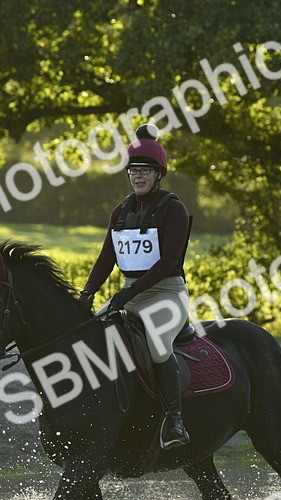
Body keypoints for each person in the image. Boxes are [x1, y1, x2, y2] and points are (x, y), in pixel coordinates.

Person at [78, 124, 192, 449]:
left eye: (144, 171)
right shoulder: (122, 211)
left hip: (167, 293)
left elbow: (169, 261)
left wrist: (132, 290)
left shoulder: (173, 209)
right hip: (130, 293)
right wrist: (87, 293)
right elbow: (105, 259)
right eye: (133, 171)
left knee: (157, 345)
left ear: (158, 174)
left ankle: (175, 421)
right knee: (88, 334)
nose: (138, 177)